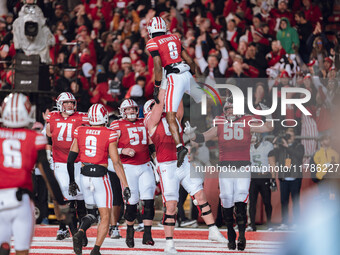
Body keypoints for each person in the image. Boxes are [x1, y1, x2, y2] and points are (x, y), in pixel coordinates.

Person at [144, 90, 227, 255]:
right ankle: (169, 243)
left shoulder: (174, 119)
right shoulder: (151, 122)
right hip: (167, 166)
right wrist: (163, 89)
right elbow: (159, 107)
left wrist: (178, 85)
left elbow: (179, 107)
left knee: (200, 195)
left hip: (182, 163)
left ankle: (213, 230)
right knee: (171, 205)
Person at [185, 97, 274, 251]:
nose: (230, 112)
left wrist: (268, 114)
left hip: (243, 167)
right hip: (226, 168)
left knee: (241, 200)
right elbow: (202, 138)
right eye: (227, 109)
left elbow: (268, 127)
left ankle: (241, 235)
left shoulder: (247, 121)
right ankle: (231, 233)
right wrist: (192, 135)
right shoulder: (219, 123)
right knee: (226, 200)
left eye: (232, 108)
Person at [0, 93, 68, 255]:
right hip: (22, 200)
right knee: (22, 251)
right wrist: (61, 203)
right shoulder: (35, 138)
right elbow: (48, 175)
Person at [67, 103, 130, 255]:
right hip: (100, 177)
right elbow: (116, 162)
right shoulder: (110, 133)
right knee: (105, 216)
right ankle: (96, 250)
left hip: (84, 176)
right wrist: (125, 184)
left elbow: (70, 159)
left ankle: (81, 231)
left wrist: (72, 181)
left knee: (91, 214)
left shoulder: (80, 130)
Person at [146, 16, 204, 168]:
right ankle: (231, 104)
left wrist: (157, 85)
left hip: (174, 77)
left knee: (171, 115)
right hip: (186, 72)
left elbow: (158, 65)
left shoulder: (153, 42)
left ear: (151, 30)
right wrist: (193, 77)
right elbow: (190, 61)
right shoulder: (174, 37)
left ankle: (179, 147)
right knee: (205, 99)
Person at [109, 99, 156, 248]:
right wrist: (122, 150)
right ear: (122, 111)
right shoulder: (116, 124)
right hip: (128, 167)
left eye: (133, 109)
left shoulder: (144, 122)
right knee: (132, 202)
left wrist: (157, 160)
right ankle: (130, 230)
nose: (131, 112)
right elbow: (108, 148)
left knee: (149, 200)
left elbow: (150, 143)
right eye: (128, 109)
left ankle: (147, 234)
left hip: (145, 165)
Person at [45, 92, 88, 241]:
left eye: (72, 102)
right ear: (60, 104)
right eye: (66, 102)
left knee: (80, 195)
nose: (70, 105)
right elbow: (49, 137)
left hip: (77, 161)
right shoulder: (52, 116)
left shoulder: (82, 117)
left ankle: (81, 231)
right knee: (64, 195)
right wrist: (48, 154)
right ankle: (64, 228)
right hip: (59, 162)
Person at [268, 127, 304, 230]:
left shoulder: (299, 146)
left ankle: (296, 223)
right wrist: (275, 143)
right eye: (287, 135)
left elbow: (299, 156)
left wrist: (287, 146)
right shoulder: (281, 147)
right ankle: (284, 222)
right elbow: (272, 154)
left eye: (290, 135)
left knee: (295, 201)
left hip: (295, 177)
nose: (289, 137)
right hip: (284, 177)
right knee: (284, 201)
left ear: (294, 136)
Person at [247, 133, 276, 232]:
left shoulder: (267, 145)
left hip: (264, 176)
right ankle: (252, 225)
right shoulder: (249, 147)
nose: (253, 138)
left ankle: (269, 224)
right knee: (252, 203)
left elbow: (272, 162)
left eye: (255, 135)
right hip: (253, 177)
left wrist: (273, 179)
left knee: (267, 202)